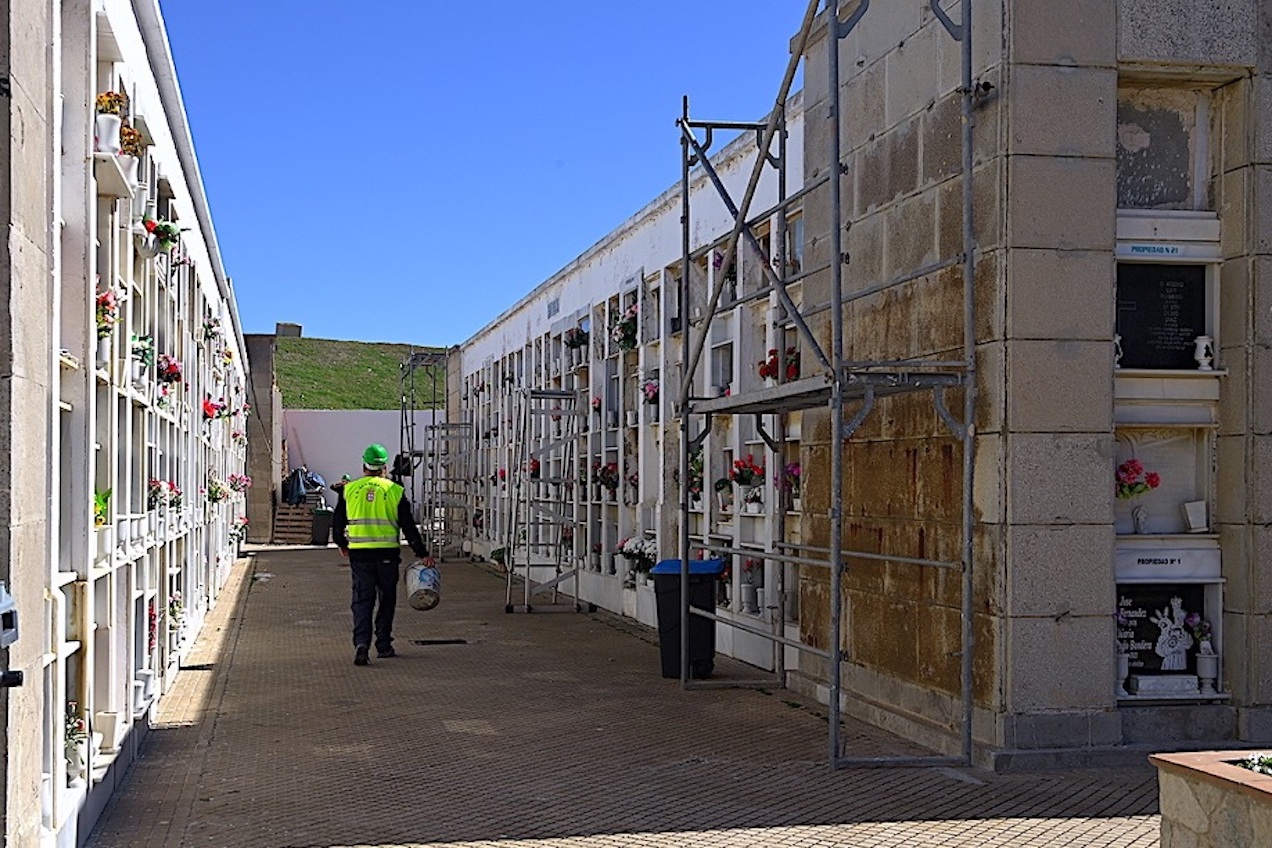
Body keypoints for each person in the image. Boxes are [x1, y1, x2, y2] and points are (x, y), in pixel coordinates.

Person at [333, 444, 429, 666]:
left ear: (363, 465)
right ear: (384, 466)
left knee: (362, 600)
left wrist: (342, 544)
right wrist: (421, 553)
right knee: (386, 600)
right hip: (387, 555)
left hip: (360, 556)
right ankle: (384, 645)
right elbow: (408, 526)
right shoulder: (394, 490)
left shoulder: (349, 491)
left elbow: (337, 524)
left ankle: (361, 644)